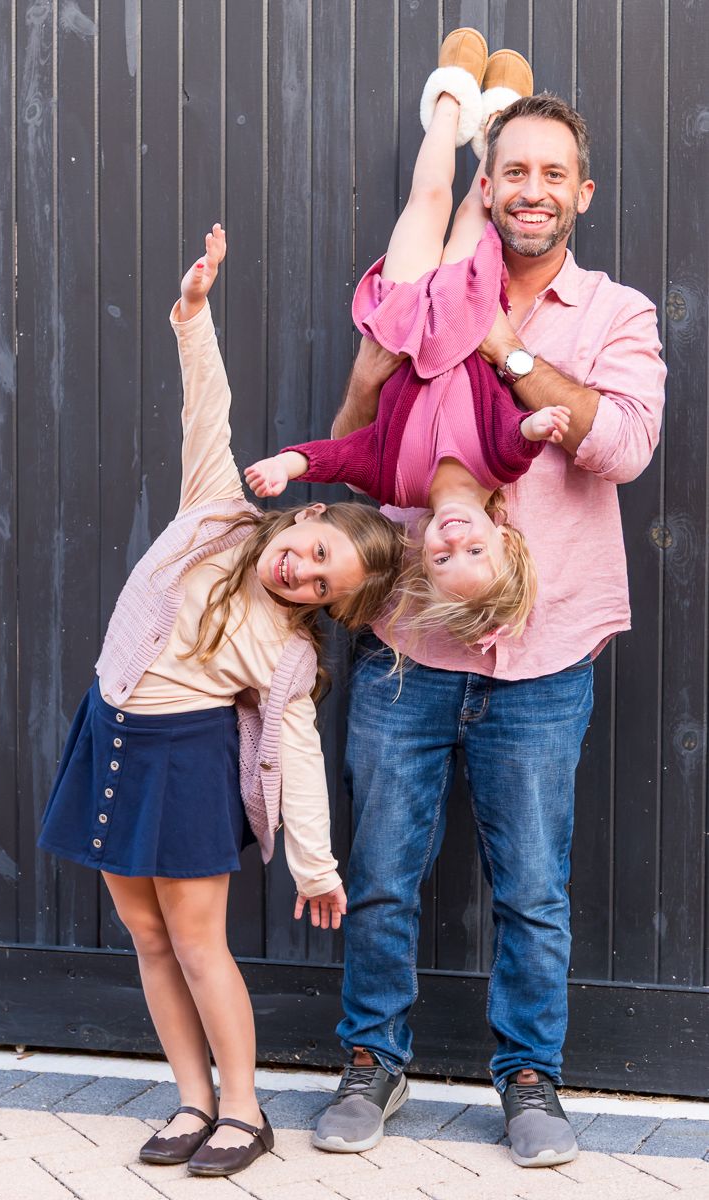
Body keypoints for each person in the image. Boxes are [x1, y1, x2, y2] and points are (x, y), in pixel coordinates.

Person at [311, 37, 667, 1170]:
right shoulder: (430, 286)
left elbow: (622, 446)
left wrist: (505, 349)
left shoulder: (615, 314)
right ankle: (372, 1062)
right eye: (514, 170)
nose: (533, 189)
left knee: (533, 891)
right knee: (380, 878)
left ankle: (529, 1079)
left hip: (544, 659)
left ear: (582, 193)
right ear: (490, 181)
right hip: (408, 647)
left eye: (554, 173)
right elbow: (358, 442)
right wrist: (376, 365)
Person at [38, 225, 402, 1179]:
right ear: (307, 514)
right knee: (147, 936)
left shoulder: (284, 649)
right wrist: (194, 314)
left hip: (187, 761)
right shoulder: (216, 508)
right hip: (110, 731)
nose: (302, 573)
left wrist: (317, 869)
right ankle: (191, 1099)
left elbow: (298, 757)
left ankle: (243, 1110)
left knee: (198, 944)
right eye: (314, 551)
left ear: (326, 607)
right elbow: (209, 405)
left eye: (323, 586)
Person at [245, 36, 568, 649]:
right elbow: (516, 437)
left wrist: (287, 464)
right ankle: (499, 122)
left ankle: (449, 99)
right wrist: (537, 425)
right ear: (503, 536)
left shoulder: (395, 484)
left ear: (422, 556)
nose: (454, 539)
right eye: (475, 550)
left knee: (428, 199)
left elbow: (342, 456)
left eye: (443, 559)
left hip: (404, 319)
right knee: (475, 207)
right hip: (467, 312)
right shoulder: (498, 466)